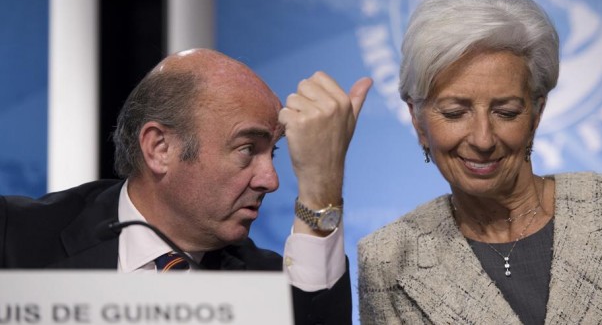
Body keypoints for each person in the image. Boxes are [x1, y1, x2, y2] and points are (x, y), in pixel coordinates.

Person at [0, 48, 372, 325]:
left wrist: (320, 188)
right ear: (160, 148)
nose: (270, 180)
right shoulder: (15, 239)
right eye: (247, 150)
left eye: (271, 153)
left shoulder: (268, 285)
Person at [358, 0, 602, 324]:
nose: (483, 139)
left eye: (506, 111)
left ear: (536, 114)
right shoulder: (387, 260)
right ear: (417, 119)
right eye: (456, 113)